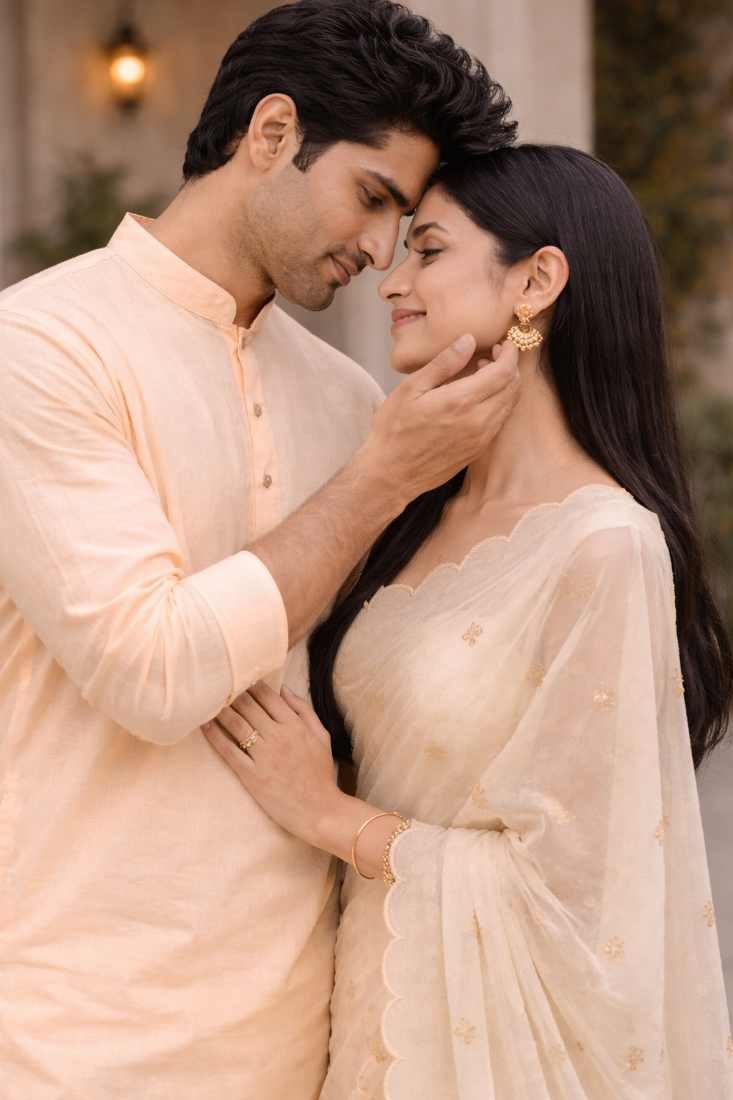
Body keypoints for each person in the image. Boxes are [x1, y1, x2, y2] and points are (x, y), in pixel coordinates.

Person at [0, 2, 520, 1096]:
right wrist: (380, 478)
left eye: (404, 223)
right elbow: (151, 670)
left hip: (299, 1030)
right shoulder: (43, 348)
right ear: (273, 132)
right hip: (73, 1034)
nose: (379, 251)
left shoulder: (345, 398)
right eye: (372, 197)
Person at [206, 145, 733, 1099]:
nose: (390, 280)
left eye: (429, 250)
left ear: (535, 281)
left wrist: (322, 812)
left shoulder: (603, 545)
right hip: (370, 1018)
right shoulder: (412, 511)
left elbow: (577, 891)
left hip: (497, 1058)